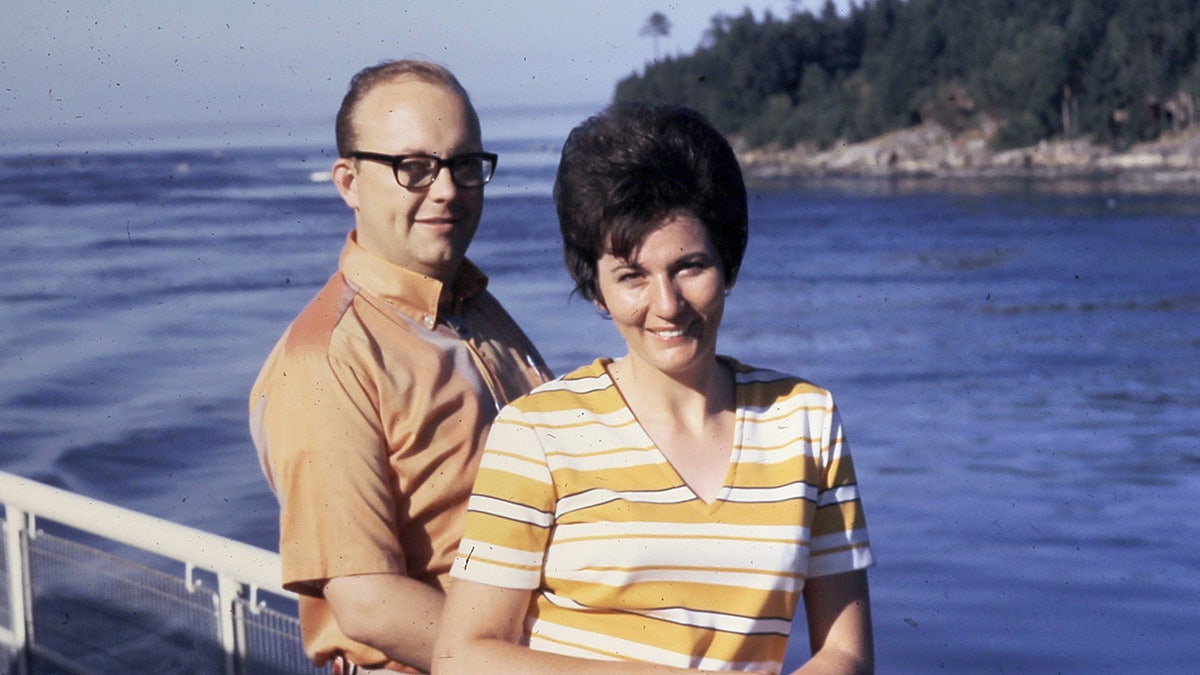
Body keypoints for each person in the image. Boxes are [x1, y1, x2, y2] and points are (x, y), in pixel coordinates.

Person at [433, 103, 875, 674]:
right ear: (597, 289)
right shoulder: (535, 433)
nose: (666, 306)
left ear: (730, 264)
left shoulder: (806, 419)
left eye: (689, 266)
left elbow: (845, 652)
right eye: (632, 276)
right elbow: (462, 656)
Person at [249, 59, 551, 674]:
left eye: (465, 165)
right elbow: (368, 602)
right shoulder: (331, 359)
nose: (446, 189)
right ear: (349, 182)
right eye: (413, 168)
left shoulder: (473, 310)